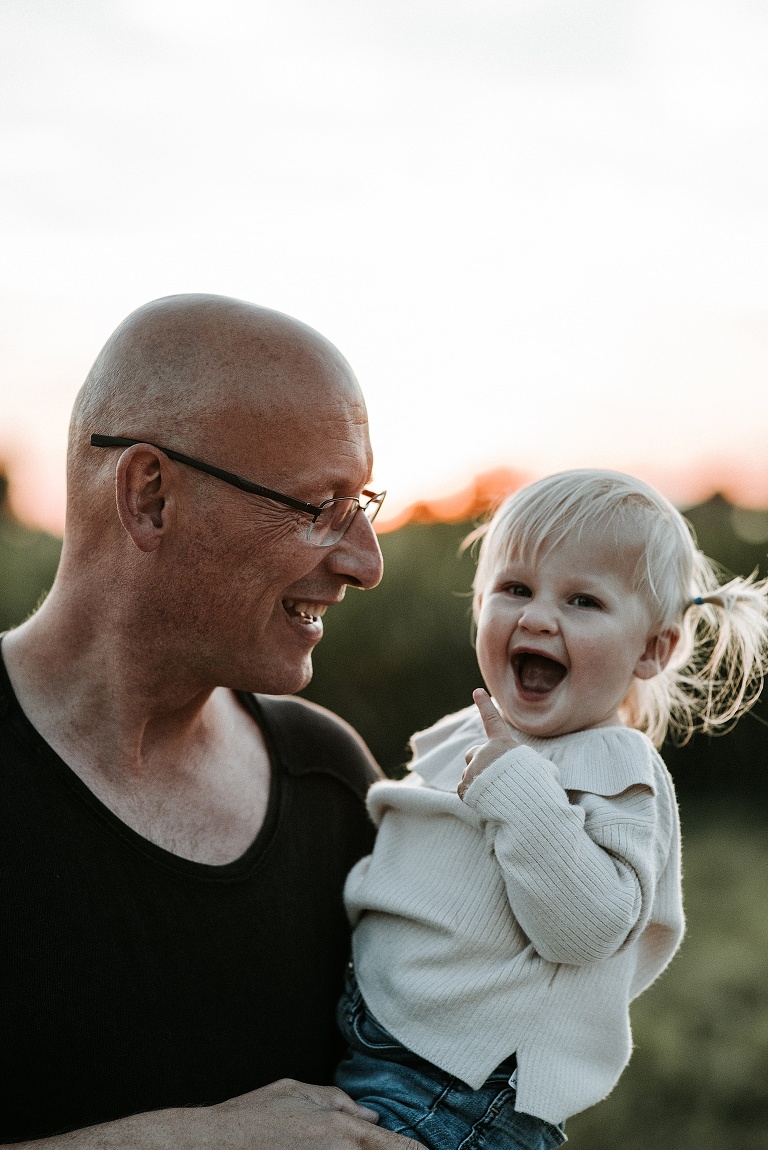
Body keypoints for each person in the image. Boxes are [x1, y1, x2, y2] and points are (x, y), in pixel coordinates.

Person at [0, 294, 424, 1149]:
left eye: (364, 503)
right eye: (320, 506)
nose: (365, 562)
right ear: (151, 496)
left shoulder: (333, 783)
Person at [336, 469, 768, 1150]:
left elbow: (588, 925)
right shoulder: (477, 730)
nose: (537, 616)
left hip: (459, 1089)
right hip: (383, 1033)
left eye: (583, 601)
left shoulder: (618, 770)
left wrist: (517, 789)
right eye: (514, 589)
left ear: (654, 649)